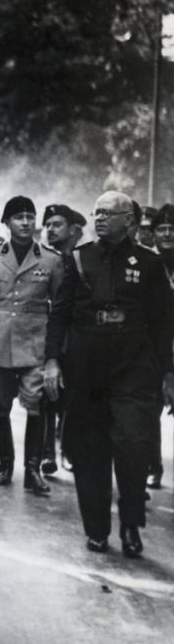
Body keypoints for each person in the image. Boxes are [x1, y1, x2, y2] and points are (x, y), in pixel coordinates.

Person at [58, 191, 174, 556]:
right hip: (87, 370)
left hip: (134, 370)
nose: (100, 218)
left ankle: (130, 523)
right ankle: (96, 529)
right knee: (89, 452)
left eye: (109, 213)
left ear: (130, 221)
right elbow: (59, 314)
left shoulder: (149, 263)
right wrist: (51, 361)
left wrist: (167, 374)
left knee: (133, 446)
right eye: (97, 212)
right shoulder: (78, 259)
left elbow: (163, 323)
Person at [0, 196, 66, 497]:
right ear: (6, 222)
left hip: (35, 340)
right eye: (18, 217)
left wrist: (55, 354)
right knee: (1, 404)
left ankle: (33, 469)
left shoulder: (51, 260)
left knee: (36, 403)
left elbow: (60, 308)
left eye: (29, 217)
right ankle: (5, 464)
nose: (25, 222)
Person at [40, 204, 86, 474]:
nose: (50, 230)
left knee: (70, 396)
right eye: (48, 225)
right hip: (43, 333)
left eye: (57, 224)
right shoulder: (41, 259)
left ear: (72, 230)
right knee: (46, 396)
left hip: (74, 337)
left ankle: (67, 448)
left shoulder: (80, 260)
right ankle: (47, 453)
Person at [148, 204, 174, 489]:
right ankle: (153, 465)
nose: (167, 234)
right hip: (155, 349)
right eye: (162, 229)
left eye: (172, 229)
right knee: (151, 409)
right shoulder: (146, 264)